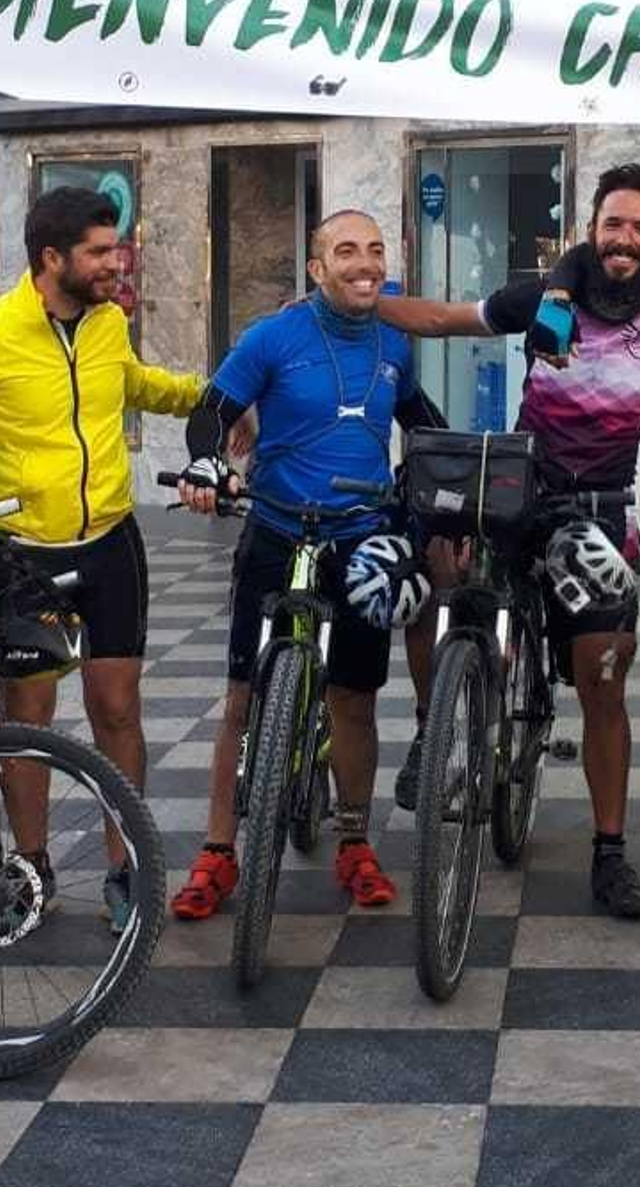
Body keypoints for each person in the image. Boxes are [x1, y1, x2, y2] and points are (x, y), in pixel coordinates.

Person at [380, 162, 640, 919]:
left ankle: (610, 851)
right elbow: (443, 320)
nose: (623, 239)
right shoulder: (544, 302)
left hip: (600, 513)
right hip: (519, 493)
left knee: (603, 680)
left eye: (638, 227)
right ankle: (442, 729)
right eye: (612, 225)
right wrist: (361, 300)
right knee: (454, 599)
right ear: (591, 232)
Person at [0, 187, 204, 920]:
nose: (114, 261)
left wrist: (210, 396)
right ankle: (32, 867)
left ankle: (125, 866)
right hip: (23, 553)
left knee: (117, 708)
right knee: (31, 716)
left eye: (115, 246)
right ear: (51, 259)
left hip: (111, 542)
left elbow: (128, 385)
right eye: (98, 251)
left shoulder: (106, 323)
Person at [170, 208, 441, 920]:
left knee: (353, 700)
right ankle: (219, 851)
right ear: (316, 269)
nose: (365, 263)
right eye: (346, 251)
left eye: (376, 251)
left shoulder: (393, 343)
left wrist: (463, 477)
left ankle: (354, 838)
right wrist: (204, 462)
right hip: (277, 530)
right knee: (241, 699)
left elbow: (422, 421)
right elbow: (210, 411)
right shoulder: (273, 337)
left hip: (361, 536)